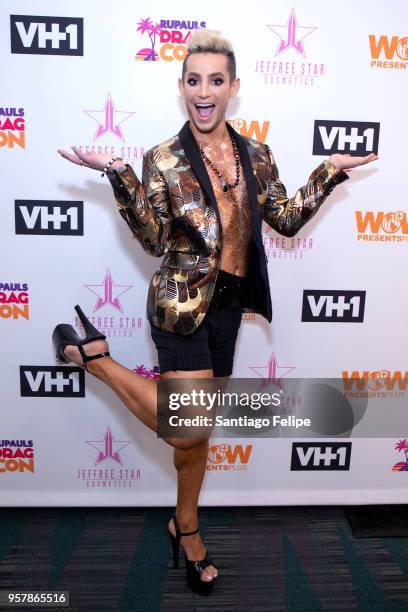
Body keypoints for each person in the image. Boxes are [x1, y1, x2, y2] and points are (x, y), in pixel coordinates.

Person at [54, 29, 378, 595]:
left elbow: (285, 219)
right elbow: (154, 240)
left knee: (196, 438)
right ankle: (96, 360)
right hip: (180, 308)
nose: (204, 91)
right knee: (189, 430)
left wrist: (329, 171)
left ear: (233, 88)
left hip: (230, 309)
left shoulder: (256, 153)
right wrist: (119, 175)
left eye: (216, 80)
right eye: (194, 80)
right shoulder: (162, 158)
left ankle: (188, 527)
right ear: (182, 87)